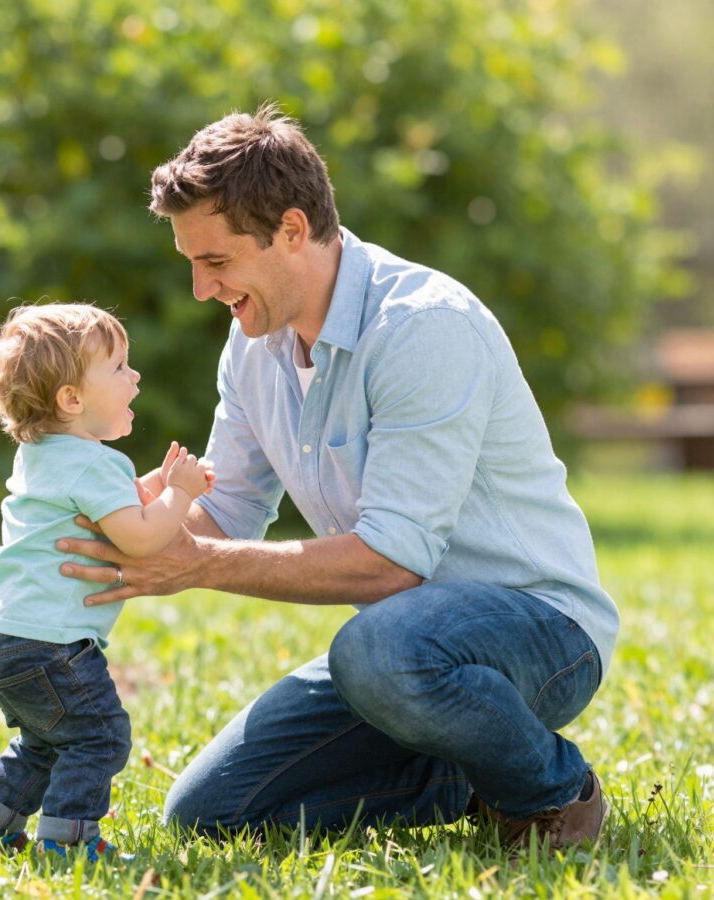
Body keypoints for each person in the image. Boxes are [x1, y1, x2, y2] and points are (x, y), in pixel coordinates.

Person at [56, 105, 619, 850]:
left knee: (378, 649)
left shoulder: (422, 328)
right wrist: (122, 528)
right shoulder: (253, 347)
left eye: (216, 262)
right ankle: (464, 769)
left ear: (292, 230)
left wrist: (198, 565)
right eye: (191, 263)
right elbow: (224, 510)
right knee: (210, 814)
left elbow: (390, 565)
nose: (200, 289)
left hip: (540, 633)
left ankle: (553, 792)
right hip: (405, 649)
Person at [0, 302, 214, 860]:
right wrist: (182, 494)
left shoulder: (45, 455)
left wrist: (155, 486)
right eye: (120, 368)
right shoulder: (93, 465)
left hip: (3, 639)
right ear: (71, 399)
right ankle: (69, 842)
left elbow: (106, 505)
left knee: (47, 740)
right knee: (100, 736)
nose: (135, 376)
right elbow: (140, 538)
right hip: (52, 645)